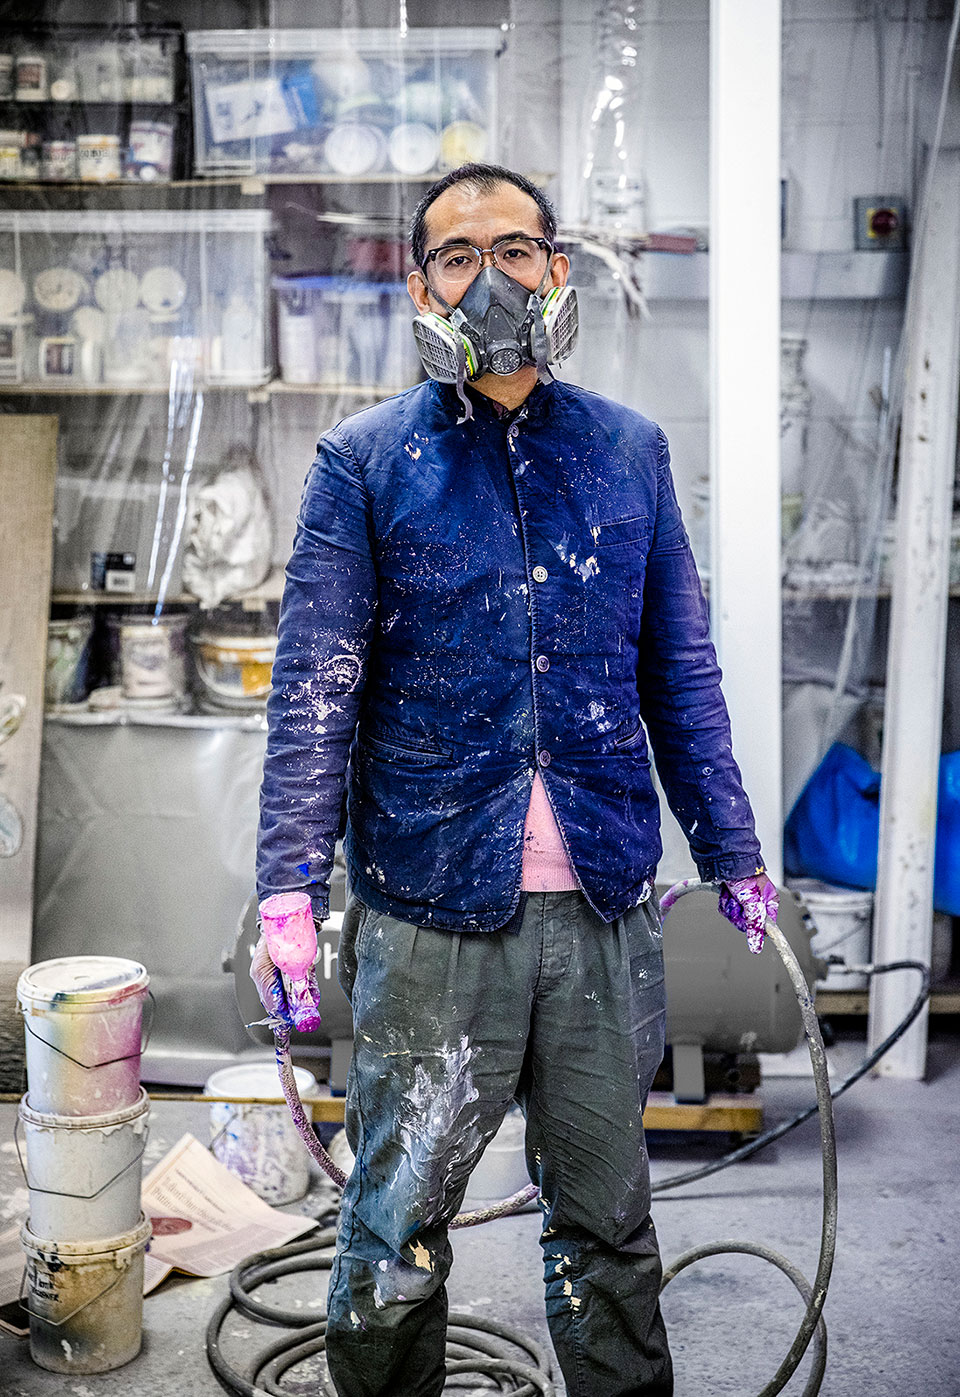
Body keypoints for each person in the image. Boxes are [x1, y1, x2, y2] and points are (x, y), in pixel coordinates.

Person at [255, 162, 777, 1397]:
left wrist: (734, 848)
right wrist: (287, 884)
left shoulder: (630, 454)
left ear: (557, 264)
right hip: (431, 908)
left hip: (600, 903)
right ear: (423, 285)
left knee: (607, 1228)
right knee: (396, 1234)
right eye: (456, 253)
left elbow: (682, 676)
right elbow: (315, 689)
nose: (490, 275)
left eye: (515, 246)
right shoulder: (364, 463)